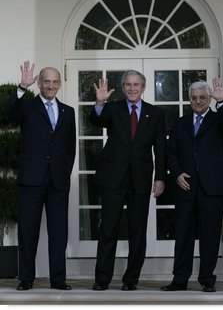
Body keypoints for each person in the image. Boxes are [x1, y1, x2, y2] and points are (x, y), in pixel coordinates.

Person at [90, 70, 166, 291]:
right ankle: (102, 279)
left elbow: (161, 149)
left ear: (143, 87)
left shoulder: (156, 114)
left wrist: (160, 177)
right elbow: (96, 119)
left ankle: (130, 280)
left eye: (136, 85)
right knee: (108, 229)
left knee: (137, 231)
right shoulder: (112, 109)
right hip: (113, 177)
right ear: (122, 88)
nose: (132, 88)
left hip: (141, 180)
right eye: (128, 85)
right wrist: (99, 102)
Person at [160, 78, 223, 292]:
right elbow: (170, 153)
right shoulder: (179, 123)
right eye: (194, 98)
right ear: (189, 99)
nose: (198, 101)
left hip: (212, 187)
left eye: (203, 97)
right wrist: (176, 174)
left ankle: (206, 279)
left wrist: (221, 101)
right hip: (185, 187)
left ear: (209, 98)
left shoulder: (218, 119)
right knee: (183, 234)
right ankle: (180, 280)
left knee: (210, 235)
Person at [5, 61, 76, 291]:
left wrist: (64, 173)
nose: (51, 85)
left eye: (55, 81)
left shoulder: (68, 111)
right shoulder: (28, 107)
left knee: (59, 232)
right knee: (28, 230)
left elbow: (70, 147)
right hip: (31, 179)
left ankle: (58, 279)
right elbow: (8, 113)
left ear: (60, 84)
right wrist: (22, 88)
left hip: (57, 181)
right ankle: (26, 278)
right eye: (46, 81)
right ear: (40, 82)